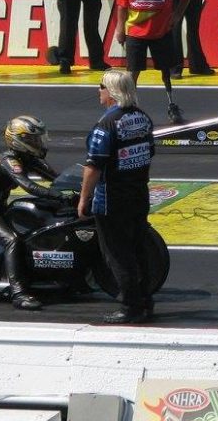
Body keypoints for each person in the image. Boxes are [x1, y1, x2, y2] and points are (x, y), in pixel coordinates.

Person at [78, 70, 156, 324]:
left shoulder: (106, 124)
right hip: (139, 192)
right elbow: (149, 152)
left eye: (100, 86)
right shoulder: (143, 117)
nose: (98, 91)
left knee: (117, 253)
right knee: (138, 248)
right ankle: (145, 300)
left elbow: (94, 165)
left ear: (111, 92)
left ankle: (129, 306)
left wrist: (83, 199)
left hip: (111, 197)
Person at [0, 115, 69, 310]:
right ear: (20, 140)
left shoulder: (27, 158)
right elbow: (29, 186)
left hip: (0, 209)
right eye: (33, 139)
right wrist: (58, 196)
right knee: (12, 240)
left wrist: (79, 188)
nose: (38, 143)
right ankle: (18, 293)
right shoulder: (8, 160)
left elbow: (57, 177)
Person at [113, 0, 191, 125]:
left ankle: (172, 105)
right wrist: (119, 28)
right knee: (132, 72)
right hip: (135, 31)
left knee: (167, 70)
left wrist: (177, 15)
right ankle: (127, 108)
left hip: (161, 30)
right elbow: (122, 5)